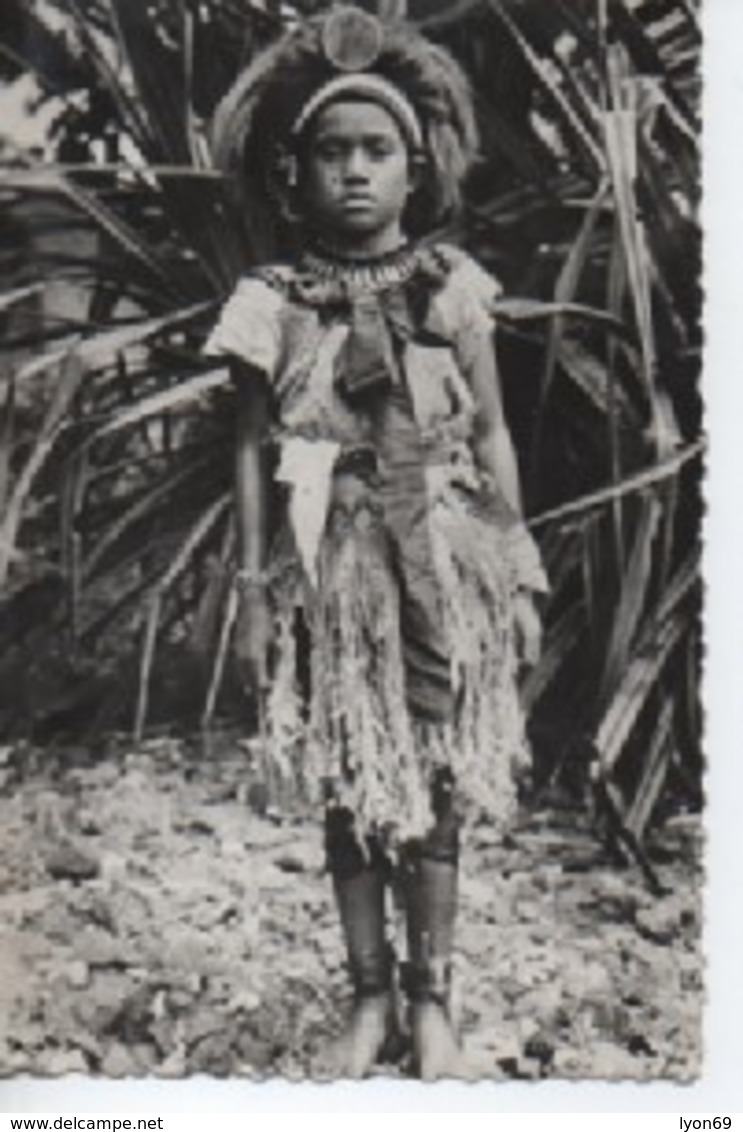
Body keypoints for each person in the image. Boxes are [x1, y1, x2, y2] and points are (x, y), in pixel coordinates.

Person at [204, 4, 548, 1079]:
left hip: (440, 555)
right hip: (328, 564)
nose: (353, 172)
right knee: (349, 774)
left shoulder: (452, 290)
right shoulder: (270, 305)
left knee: (436, 767)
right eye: (330, 153)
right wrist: (257, 591)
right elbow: (254, 454)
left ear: (415, 168)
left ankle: (432, 999)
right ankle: (366, 999)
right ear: (292, 173)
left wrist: (518, 565)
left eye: (376, 151)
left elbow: (488, 431)